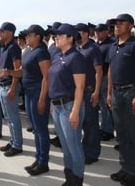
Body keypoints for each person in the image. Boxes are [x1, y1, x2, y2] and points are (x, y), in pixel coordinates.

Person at [107, 13, 135, 186]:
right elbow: (110, 70)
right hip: (116, 93)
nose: (117, 26)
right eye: (115, 23)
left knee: (134, 133)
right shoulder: (113, 46)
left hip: (130, 92)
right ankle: (125, 167)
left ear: (130, 26)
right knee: (122, 133)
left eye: (121, 23)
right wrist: (108, 93)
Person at [49, 23, 86, 186]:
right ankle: (69, 178)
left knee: (74, 146)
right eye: (56, 35)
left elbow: (80, 87)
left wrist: (76, 111)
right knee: (65, 146)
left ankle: (77, 179)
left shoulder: (76, 57)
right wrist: (52, 104)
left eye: (60, 35)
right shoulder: (58, 55)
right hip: (57, 106)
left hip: (70, 106)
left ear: (71, 38)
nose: (56, 37)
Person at [12, 24, 51, 175]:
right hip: (28, 93)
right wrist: (10, 72)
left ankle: (43, 162)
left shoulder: (42, 52)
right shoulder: (29, 51)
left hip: (37, 93)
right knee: (35, 129)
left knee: (41, 129)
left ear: (38, 37)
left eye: (29, 35)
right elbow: (24, 72)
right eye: (26, 35)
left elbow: (46, 77)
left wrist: (42, 99)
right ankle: (38, 158)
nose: (26, 37)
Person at [75, 23, 102, 165]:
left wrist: (97, 92)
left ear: (85, 34)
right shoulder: (77, 49)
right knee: (83, 123)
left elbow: (99, 71)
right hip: (79, 91)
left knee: (91, 123)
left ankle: (92, 153)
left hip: (89, 91)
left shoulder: (93, 49)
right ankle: (85, 149)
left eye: (78, 32)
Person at [0, 22, 23, 157]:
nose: (0, 34)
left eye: (2, 31)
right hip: (2, 85)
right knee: (7, 117)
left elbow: (17, 69)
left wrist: (13, 88)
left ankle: (17, 145)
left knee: (13, 117)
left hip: (9, 85)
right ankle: (13, 140)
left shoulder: (14, 48)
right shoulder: (3, 48)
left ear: (10, 33)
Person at [95, 23, 115, 141]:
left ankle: (108, 130)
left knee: (106, 104)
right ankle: (105, 127)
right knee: (102, 105)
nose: (98, 33)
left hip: (106, 77)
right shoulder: (97, 45)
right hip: (97, 77)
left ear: (106, 32)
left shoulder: (110, 44)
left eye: (100, 31)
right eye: (97, 32)